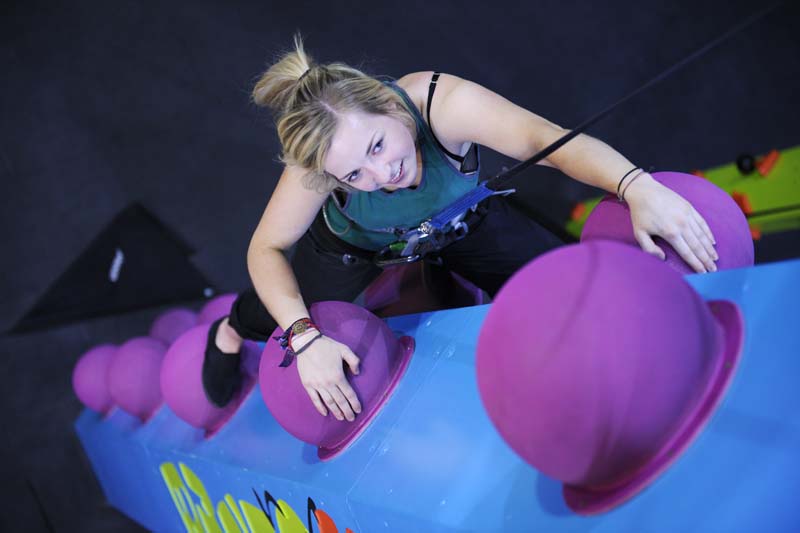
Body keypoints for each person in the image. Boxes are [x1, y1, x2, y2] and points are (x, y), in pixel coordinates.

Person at [202, 35, 719, 422]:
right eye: (354, 174)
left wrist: (636, 186)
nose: (382, 177)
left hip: (458, 221)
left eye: (378, 147)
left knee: (570, 287)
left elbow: (549, 141)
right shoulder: (317, 159)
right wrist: (304, 337)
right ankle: (226, 331)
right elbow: (266, 246)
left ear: (387, 105)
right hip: (355, 247)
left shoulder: (442, 103)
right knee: (271, 310)